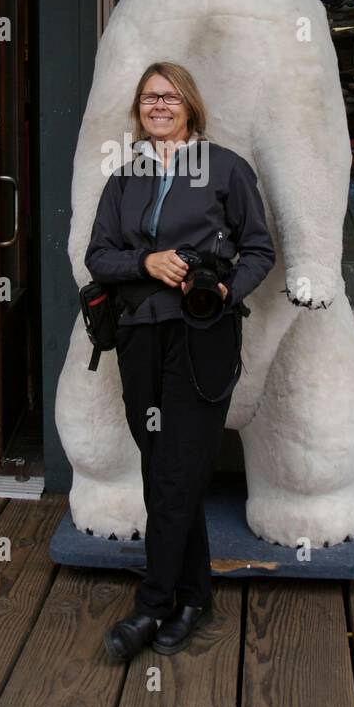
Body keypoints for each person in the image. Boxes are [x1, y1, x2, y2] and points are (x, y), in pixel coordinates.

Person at [84, 61, 276, 662]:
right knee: (163, 467)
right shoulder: (125, 177)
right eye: (148, 98)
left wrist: (224, 290)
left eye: (168, 97)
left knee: (174, 471)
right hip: (140, 336)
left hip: (202, 338)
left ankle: (151, 605)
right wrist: (145, 264)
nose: (157, 106)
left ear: (189, 105)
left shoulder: (227, 169)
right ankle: (194, 596)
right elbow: (98, 256)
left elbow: (260, 248)